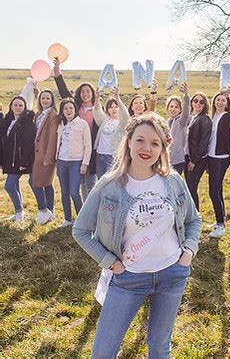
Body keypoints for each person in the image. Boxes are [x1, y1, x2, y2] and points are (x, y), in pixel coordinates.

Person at [72, 112, 201, 358]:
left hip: (172, 274)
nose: (146, 148)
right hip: (127, 279)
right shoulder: (109, 184)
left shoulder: (173, 181)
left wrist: (188, 252)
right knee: (103, 352)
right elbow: (80, 231)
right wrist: (111, 263)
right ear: (128, 141)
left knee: (160, 347)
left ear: (163, 147)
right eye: (140, 140)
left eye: (155, 143)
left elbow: (193, 220)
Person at [53, 59, 98, 200]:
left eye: (88, 91)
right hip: (77, 149)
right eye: (82, 92)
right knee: (81, 182)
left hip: (93, 148)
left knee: (91, 181)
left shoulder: (98, 109)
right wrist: (57, 71)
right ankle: (84, 209)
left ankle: (91, 210)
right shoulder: (76, 106)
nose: (85, 94)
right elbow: (64, 91)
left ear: (92, 93)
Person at [208, 85, 230, 238]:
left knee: (213, 191)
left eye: (223, 100)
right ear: (214, 102)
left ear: (227, 103)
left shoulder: (227, 117)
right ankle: (220, 220)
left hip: (221, 158)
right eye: (218, 100)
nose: (220, 102)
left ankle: (220, 225)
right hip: (210, 157)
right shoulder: (211, 117)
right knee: (218, 190)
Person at [56, 98, 92, 227]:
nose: (68, 110)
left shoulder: (82, 124)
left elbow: (88, 145)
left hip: (76, 162)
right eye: (65, 108)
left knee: (74, 192)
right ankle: (67, 219)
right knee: (64, 192)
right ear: (62, 111)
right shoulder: (61, 124)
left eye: (71, 108)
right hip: (61, 162)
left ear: (75, 110)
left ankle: (81, 221)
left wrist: (85, 163)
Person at [1, 96, 36, 221]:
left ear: (24, 107)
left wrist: (24, 162)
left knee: (9, 186)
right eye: (15, 105)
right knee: (14, 185)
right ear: (11, 106)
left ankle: (19, 212)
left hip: (20, 160)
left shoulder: (27, 123)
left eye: (20, 105)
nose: (18, 107)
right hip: (9, 159)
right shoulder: (8, 120)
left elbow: (28, 144)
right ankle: (19, 213)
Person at [29, 89, 59, 224]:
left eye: (48, 98)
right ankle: (50, 212)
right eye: (43, 98)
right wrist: (37, 91)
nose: (45, 100)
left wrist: (49, 157)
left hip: (45, 155)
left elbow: (53, 137)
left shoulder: (53, 115)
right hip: (36, 154)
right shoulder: (40, 113)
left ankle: (43, 210)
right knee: (46, 183)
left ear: (52, 100)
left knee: (35, 183)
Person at [93, 87, 130, 178]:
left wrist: (118, 98)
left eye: (116, 107)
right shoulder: (104, 120)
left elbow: (125, 115)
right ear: (107, 109)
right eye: (111, 107)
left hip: (112, 157)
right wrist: (97, 98)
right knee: (100, 180)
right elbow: (97, 111)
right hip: (100, 155)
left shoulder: (122, 123)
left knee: (109, 181)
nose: (113, 109)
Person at [185, 91, 212, 210]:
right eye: (195, 101)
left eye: (201, 102)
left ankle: (195, 216)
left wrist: (194, 161)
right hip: (188, 156)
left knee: (191, 187)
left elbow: (204, 142)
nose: (198, 104)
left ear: (205, 104)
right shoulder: (191, 118)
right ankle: (190, 214)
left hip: (197, 159)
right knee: (188, 187)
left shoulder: (204, 119)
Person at [166, 82, 190, 175]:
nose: (173, 109)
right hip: (167, 158)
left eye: (176, 107)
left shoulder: (181, 121)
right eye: (171, 106)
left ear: (180, 110)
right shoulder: (167, 122)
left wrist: (186, 96)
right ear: (167, 108)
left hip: (178, 160)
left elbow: (186, 112)